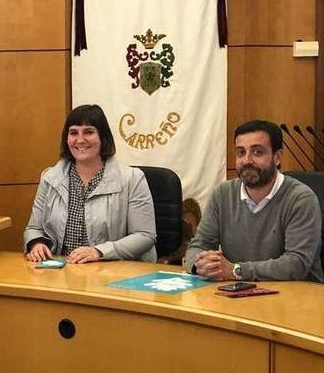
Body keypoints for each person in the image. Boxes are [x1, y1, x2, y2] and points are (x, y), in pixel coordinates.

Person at [184, 120, 323, 282]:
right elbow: (198, 246)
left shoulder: (300, 198)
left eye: (257, 152)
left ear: (277, 158)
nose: (247, 160)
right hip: (238, 293)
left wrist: (236, 271)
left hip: (297, 297)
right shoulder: (222, 194)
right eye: (241, 153)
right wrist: (200, 265)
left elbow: (296, 264)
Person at [23, 104, 157, 263]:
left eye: (88, 132)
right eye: (73, 133)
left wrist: (99, 252)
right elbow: (34, 228)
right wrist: (37, 243)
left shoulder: (132, 178)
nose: (80, 140)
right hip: (61, 273)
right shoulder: (50, 178)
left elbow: (144, 236)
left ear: (103, 137)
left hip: (113, 272)